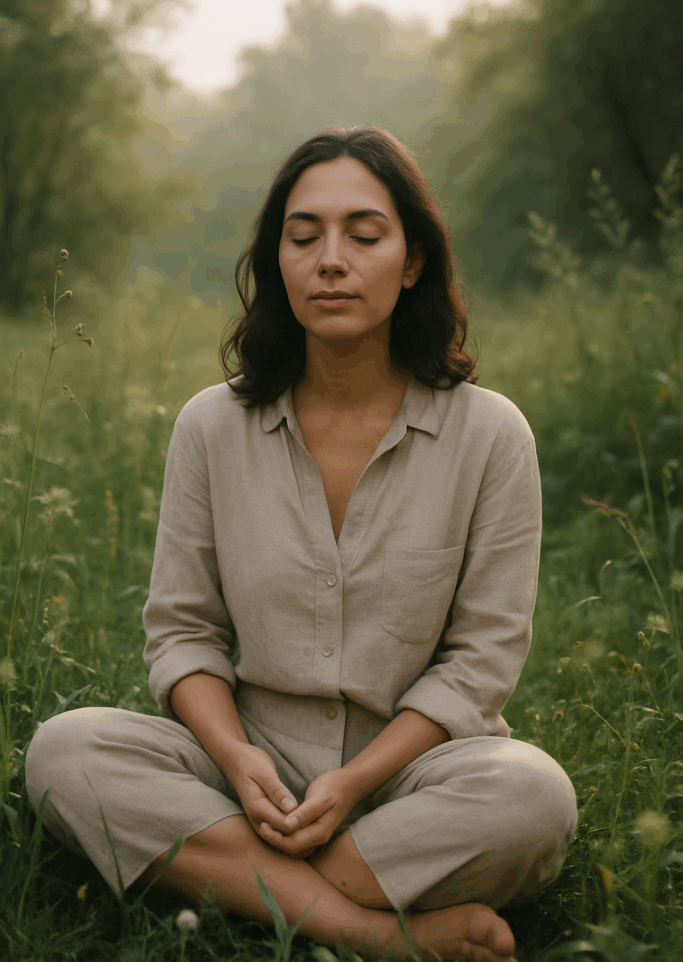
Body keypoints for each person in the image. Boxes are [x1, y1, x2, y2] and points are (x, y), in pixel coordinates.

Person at [26, 126, 577, 962]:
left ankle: (246, 884)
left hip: (413, 774)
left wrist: (355, 784)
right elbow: (182, 633)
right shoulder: (211, 426)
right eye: (302, 235)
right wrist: (238, 761)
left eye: (363, 235)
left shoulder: (490, 436)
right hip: (244, 768)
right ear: (276, 261)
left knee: (534, 799)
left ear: (413, 259)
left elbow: (480, 661)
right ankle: (368, 930)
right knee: (65, 751)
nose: (330, 260)